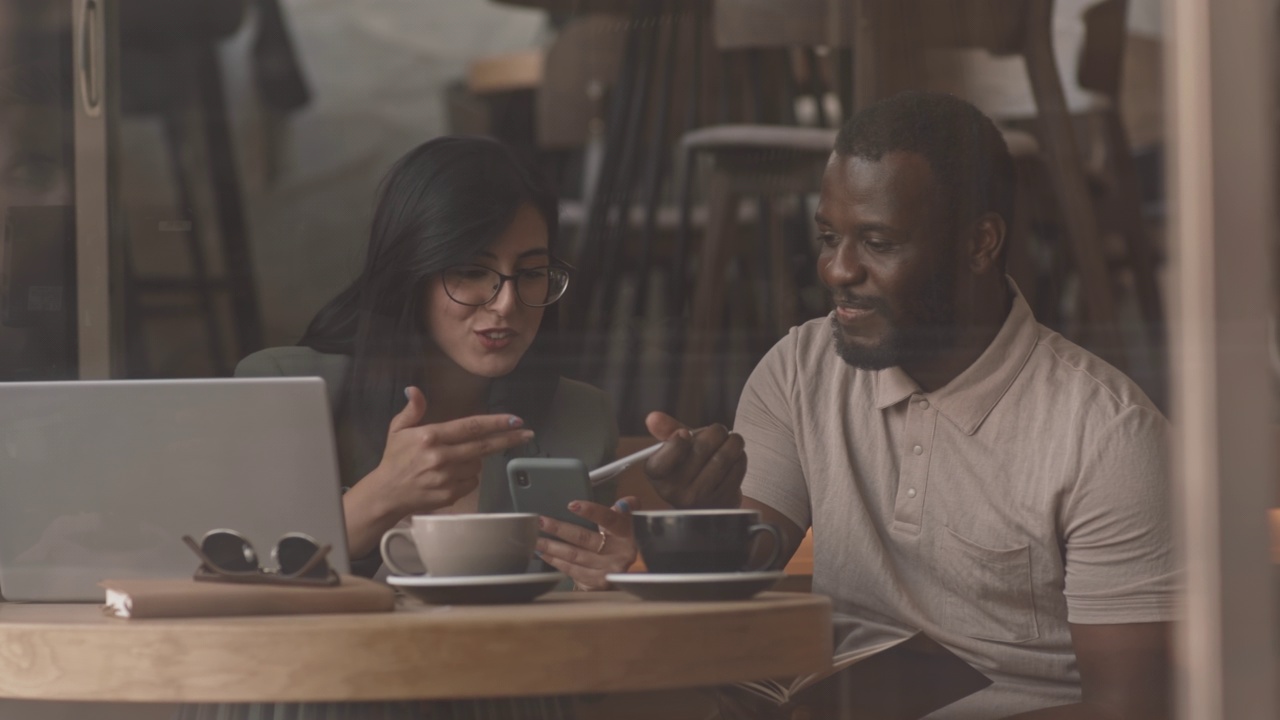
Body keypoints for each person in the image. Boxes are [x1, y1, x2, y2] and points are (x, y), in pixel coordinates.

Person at [645, 91, 1176, 719]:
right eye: (828, 236)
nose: (838, 270)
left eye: (878, 242)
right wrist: (706, 523)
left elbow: (1130, 709)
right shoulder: (799, 369)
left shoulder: (1108, 436)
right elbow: (744, 571)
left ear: (980, 243)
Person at [237, 136, 743, 591]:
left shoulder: (578, 418)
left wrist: (602, 579)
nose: (506, 304)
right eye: (471, 272)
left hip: (505, 683)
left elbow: (567, 634)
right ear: (410, 273)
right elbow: (246, 582)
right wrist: (379, 498)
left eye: (531, 272)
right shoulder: (283, 388)